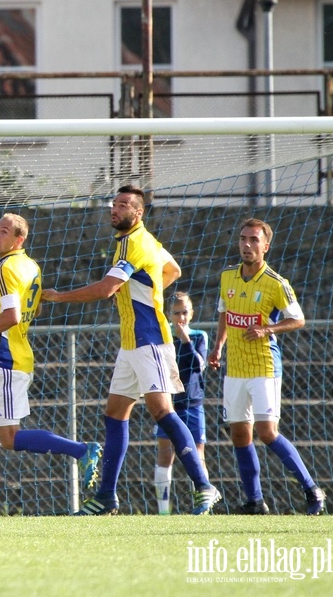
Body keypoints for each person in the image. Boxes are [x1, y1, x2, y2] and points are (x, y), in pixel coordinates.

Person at [42, 185, 221, 516]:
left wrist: (57, 296)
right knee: (114, 414)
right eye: (115, 203)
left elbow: (106, 288)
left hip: (150, 339)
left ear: (137, 213)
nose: (115, 208)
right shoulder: (144, 241)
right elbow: (172, 271)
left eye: (124, 204)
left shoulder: (136, 243)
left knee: (162, 412)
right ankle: (107, 496)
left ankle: (204, 485)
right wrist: (145, 287)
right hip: (131, 344)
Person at [0, 214, 102, 516]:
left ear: (19, 239)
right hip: (8, 359)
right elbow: (33, 305)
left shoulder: (6, 268)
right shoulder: (29, 266)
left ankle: (82, 450)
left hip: (8, 362)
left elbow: (12, 317)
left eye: (4, 232)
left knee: (9, 439)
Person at [207, 218, 325, 515]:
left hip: (264, 367)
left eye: (254, 240)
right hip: (235, 369)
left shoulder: (276, 284)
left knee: (267, 431)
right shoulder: (227, 277)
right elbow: (224, 313)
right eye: (243, 238)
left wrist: (267, 329)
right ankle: (255, 501)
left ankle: (312, 490)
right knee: (239, 435)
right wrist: (218, 346)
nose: (247, 245)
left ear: (265, 246)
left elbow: (298, 319)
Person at [153, 291, 210, 515]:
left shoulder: (198, 336)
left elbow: (198, 366)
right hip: (169, 404)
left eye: (185, 312)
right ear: (169, 314)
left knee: (197, 452)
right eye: (176, 313)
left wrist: (185, 339)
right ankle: (164, 511)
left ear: (191, 313)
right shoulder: (163, 335)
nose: (181, 318)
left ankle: (203, 503)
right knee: (166, 453)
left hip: (193, 404)